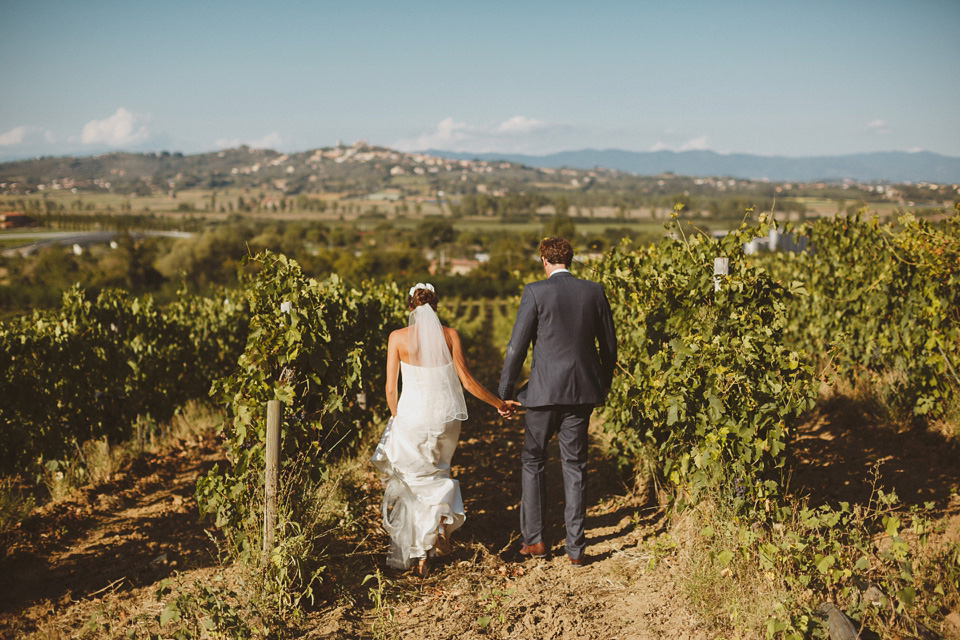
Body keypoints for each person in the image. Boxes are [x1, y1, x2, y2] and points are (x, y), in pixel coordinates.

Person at [372, 282, 517, 578]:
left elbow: (390, 388)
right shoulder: (450, 335)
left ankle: (421, 552)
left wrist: (397, 417)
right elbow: (467, 381)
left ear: (410, 307)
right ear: (435, 306)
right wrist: (498, 403)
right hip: (446, 418)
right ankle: (438, 526)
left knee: (414, 483)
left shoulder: (397, 338)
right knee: (439, 472)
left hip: (412, 417)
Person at [498, 237, 617, 567]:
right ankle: (576, 549)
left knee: (533, 459)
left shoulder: (536, 291)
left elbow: (517, 348)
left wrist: (504, 394)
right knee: (575, 465)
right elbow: (609, 347)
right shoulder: (594, 291)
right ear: (571, 258)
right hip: (581, 394)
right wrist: (600, 387)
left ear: (544, 260)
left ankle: (535, 540)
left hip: (542, 394)